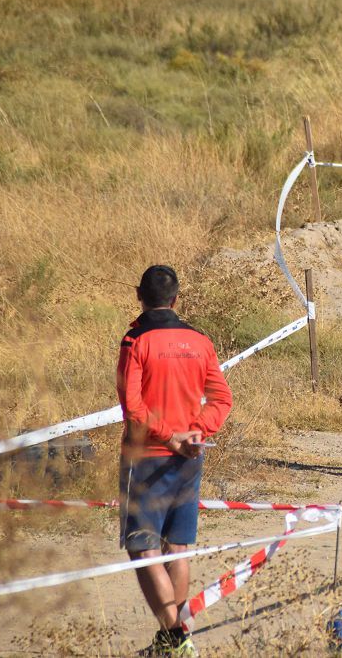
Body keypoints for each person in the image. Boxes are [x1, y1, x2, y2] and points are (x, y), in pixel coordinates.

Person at [117, 265, 232, 657]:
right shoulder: (199, 341)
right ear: (176, 298)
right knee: (177, 549)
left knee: (143, 549)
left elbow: (132, 407)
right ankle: (171, 643)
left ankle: (177, 640)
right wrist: (198, 431)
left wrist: (169, 435)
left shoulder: (135, 340)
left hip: (147, 456)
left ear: (139, 295)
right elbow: (222, 399)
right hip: (191, 455)